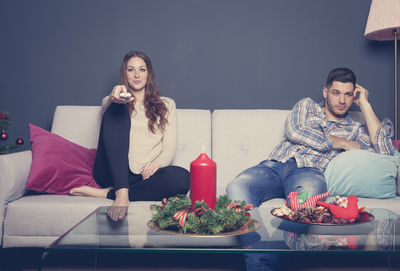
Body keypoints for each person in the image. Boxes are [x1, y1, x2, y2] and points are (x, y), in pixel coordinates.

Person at [226, 67, 396, 270]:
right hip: (274, 166)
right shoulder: (307, 106)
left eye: (348, 94)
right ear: (325, 92)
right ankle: (262, 261)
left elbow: (385, 151)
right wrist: (339, 142)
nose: (342, 100)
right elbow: (296, 131)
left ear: (354, 96)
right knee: (236, 188)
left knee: (305, 207)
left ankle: (263, 266)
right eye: (336, 93)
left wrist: (366, 105)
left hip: (309, 172)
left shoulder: (355, 128)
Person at [70, 51, 190, 220]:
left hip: (144, 177)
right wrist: (115, 98)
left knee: (183, 178)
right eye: (131, 69)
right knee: (116, 109)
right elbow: (106, 104)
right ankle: (121, 191)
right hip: (112, 171)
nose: (136, 75)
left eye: (142, 69)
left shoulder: (167, 104)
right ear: (124, 74)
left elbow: (170, 147)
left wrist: (157, 164)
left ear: (149, 73)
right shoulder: (113, 101)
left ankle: (112, 194)